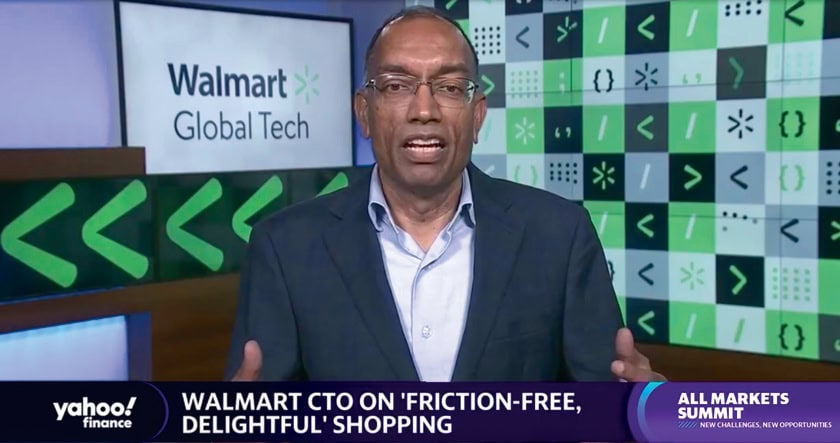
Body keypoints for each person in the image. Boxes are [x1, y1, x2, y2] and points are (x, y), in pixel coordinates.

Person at [226, 6, 665, 383]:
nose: (424, 110)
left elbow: (602, 405)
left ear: (477, 116)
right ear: (364, 112)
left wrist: (643, 414)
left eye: (450, 88)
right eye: (397, 86)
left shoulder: (559, 235)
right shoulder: (284, 248)